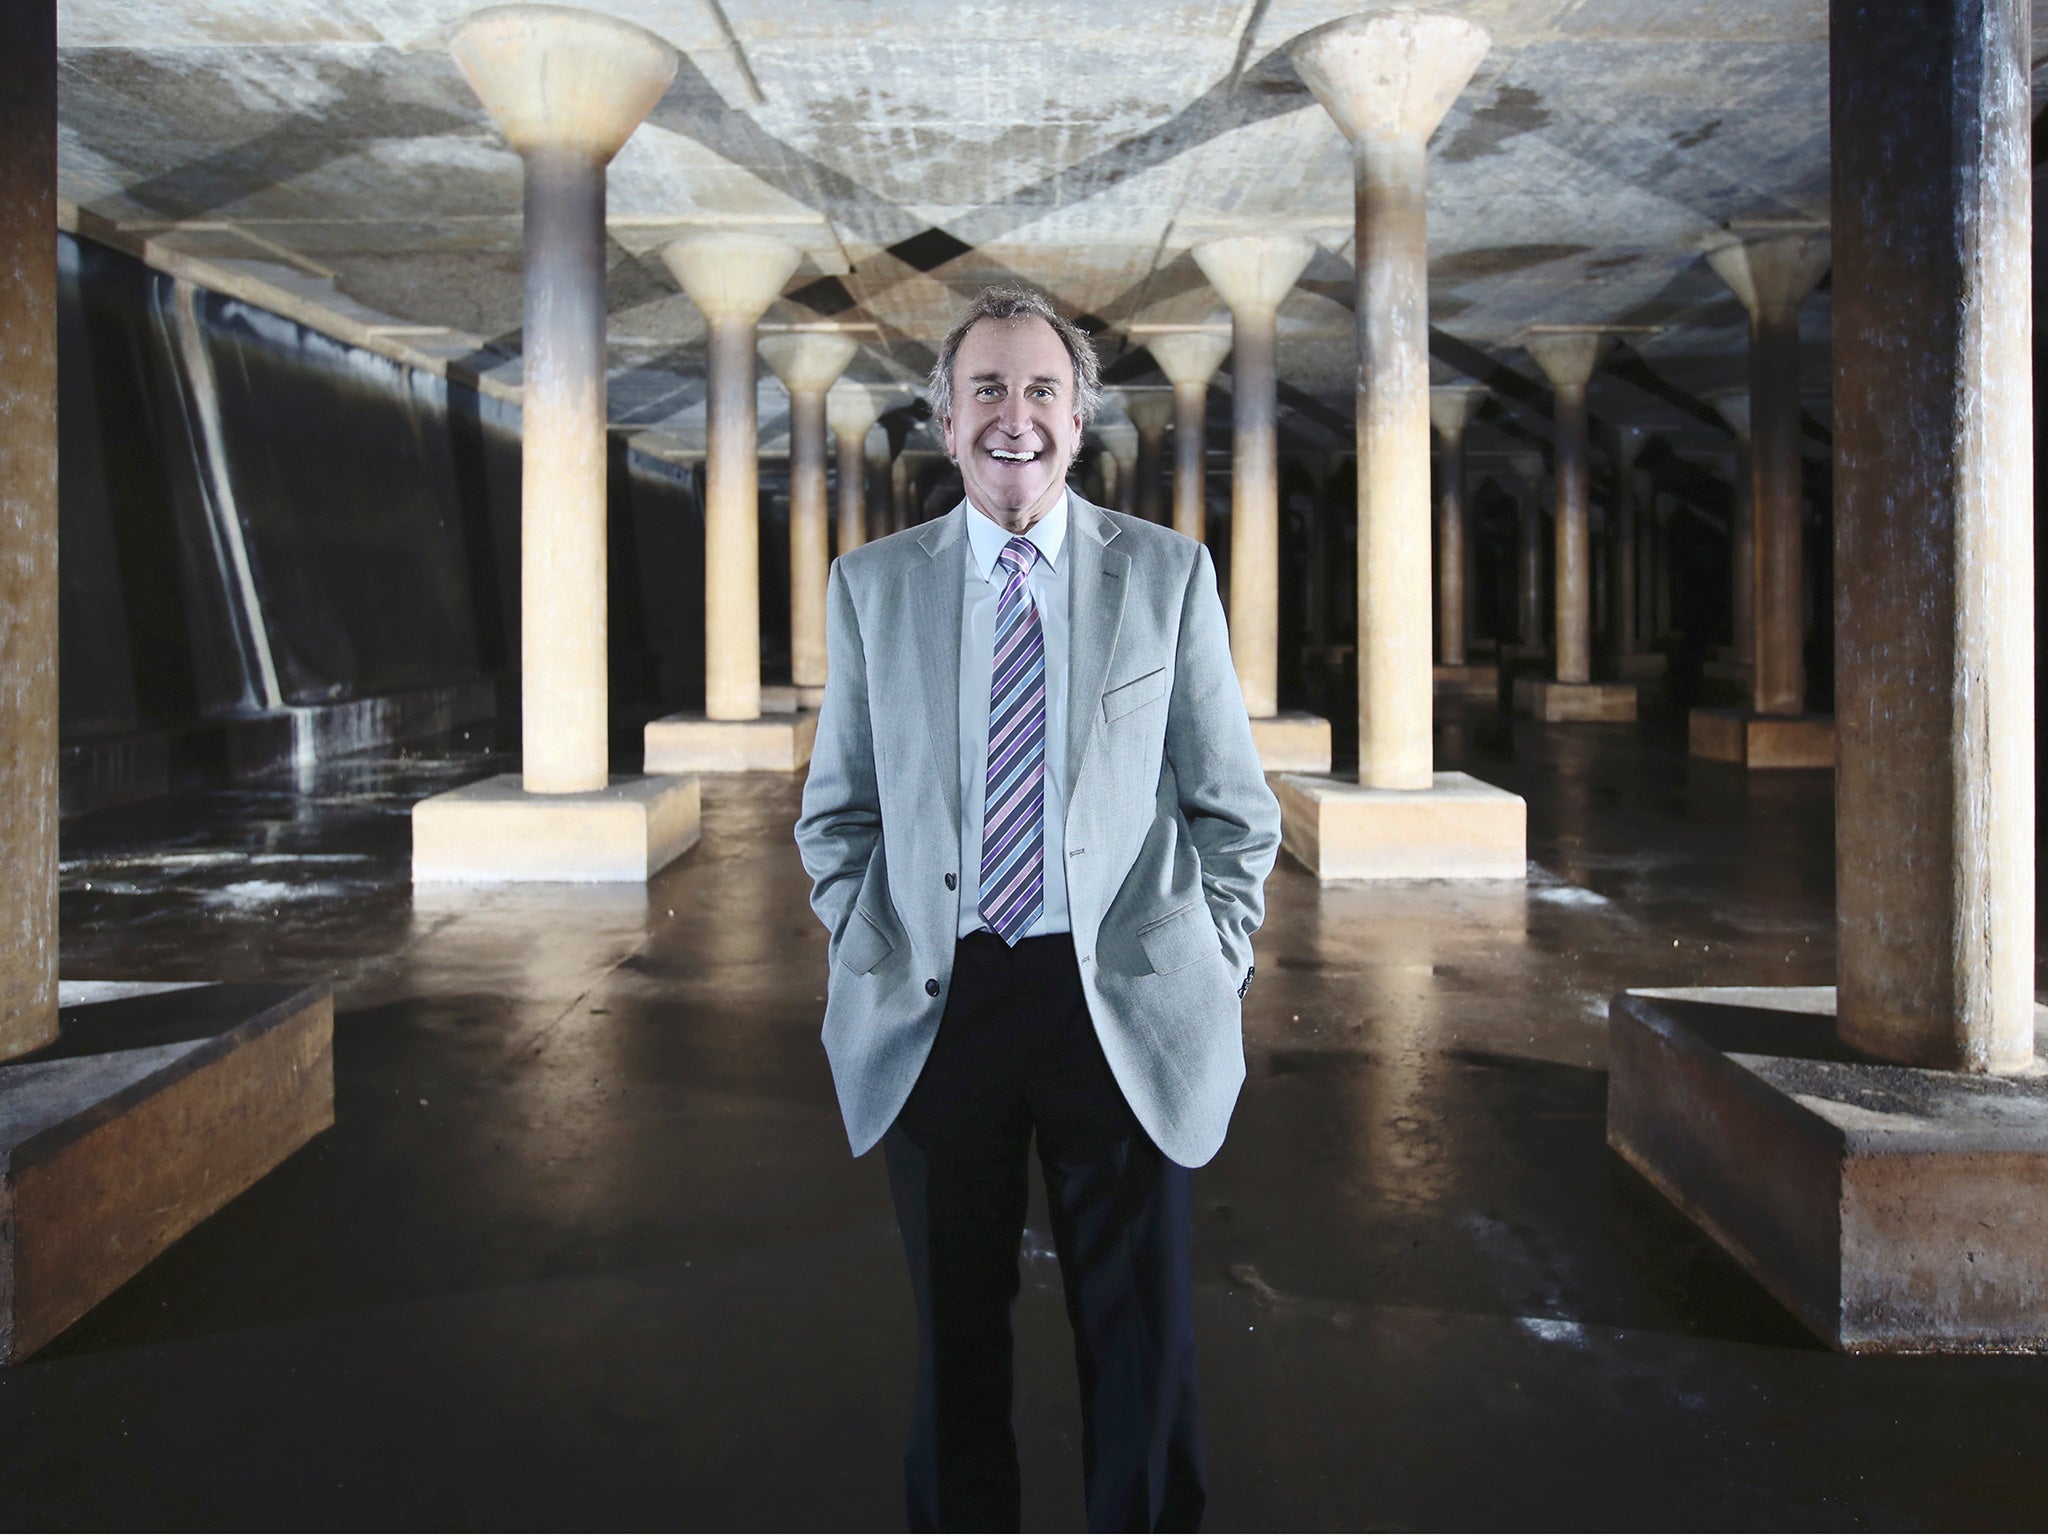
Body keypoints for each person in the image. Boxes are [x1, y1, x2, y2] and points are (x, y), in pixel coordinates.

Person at [794, 287, 1280, 1532]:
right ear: (946, 425)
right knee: (956, 1346)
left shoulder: (1166, 575)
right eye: (989, 393)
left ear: (1078, 417)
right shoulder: (872, 586)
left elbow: (1231, 808)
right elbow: (837, 812)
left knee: (1138, 1346)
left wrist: (1207, 957)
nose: (1017, 417)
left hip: (1114, 1005)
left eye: (1042, 391)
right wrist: (865, 931)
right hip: (938, 1005)